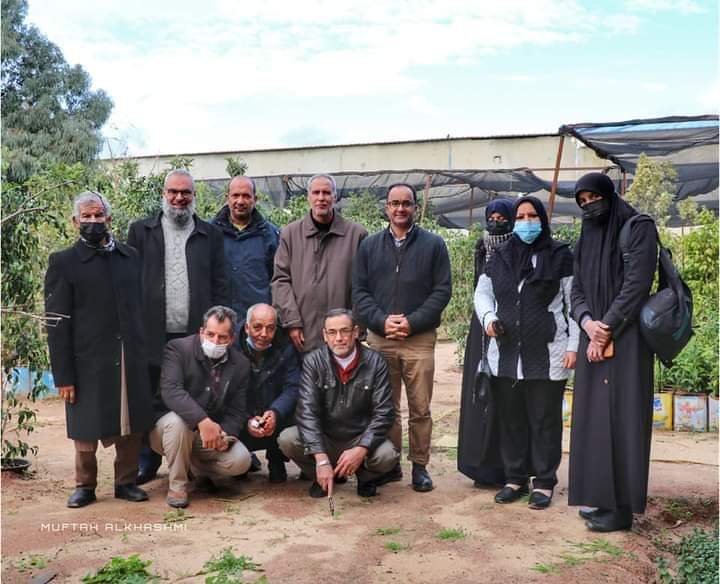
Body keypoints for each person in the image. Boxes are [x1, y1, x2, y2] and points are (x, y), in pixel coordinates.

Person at [45, 191, 153, 508]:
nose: (93, 222)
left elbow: (140, 308)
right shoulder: (63, 263)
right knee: (85, 426)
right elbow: (56, 323)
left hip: (129, 354)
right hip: (86, 359)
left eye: (98, 215)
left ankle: (126, 482)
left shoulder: (130, 257)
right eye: (87, 217)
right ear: (75, 221)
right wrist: (63, 375)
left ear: (109, 218)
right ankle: (85, 485)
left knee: (130, 422)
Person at [474, 196, 578, 510]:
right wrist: (489, 318)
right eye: (521, 216)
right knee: (511, 419)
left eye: (533, 216)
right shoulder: (500, 256)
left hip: (548, 354)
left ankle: (544, 481)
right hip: (505, 355)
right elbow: (483, 293)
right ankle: (515, 477)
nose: (526, 221)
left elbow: (572, 304)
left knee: (544, 420)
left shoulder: (560, 256)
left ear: (543, 220)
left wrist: (573, 346)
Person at [569, 172, 658, 532]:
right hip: (593, 338)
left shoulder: (638, 227)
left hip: (626, 342)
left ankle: (621, 510)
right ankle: (601, 500)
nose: (590, 206)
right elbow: (576, 289)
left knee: (622, 422)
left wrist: (605, 328)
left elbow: (637, 284)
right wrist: (588, 324)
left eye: (595, 198)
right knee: (593, 423)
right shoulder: (586, 237)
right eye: (583, 201)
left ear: (610, 196)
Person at [128, 169, 229, 484]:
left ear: (194, 196)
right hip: (152, 334)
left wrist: (218, 327)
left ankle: (195, 458)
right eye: (173, 191)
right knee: (148, 397)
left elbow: (221, 283)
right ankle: (146, 461)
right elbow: (129, 284)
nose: (179, 198)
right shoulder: (141, 232)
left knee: (195, 394)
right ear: (163, 193)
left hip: (194, 336)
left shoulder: (209, 235)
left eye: (186, 192)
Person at [353, 183, 452, 492]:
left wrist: (412, 322)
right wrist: (382, 321)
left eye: (406, 203)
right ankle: (391, 463)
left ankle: (420, 466)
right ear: (386, 207)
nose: (400, 209)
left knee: (420, 407)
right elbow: (360, 292)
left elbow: (442, 291)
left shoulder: (434, 245)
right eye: (394, 203)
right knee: (386, 407)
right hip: (381, 339)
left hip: (418, 339)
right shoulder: (369, 246)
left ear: (414, 208)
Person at [278, 309, 399, 498]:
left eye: (345, 331)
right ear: (325, 336)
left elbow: (384, 412)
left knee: (387, 455)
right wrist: (321, 459)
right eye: (332, 332)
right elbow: (307, 412)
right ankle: (323, 476)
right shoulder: (313, 362)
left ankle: (366, 478)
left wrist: (361, 449)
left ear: (356, 332)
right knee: (287, 439)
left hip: (359, 436)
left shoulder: (376, 362)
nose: (339, 338)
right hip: (326, 437)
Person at [150, 306, 252, 508]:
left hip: (208, 437)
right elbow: (171, 391)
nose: (215, 341)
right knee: (178, 422)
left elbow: (237, 410)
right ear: (201, 331)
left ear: (231, 339)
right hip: (167, 431)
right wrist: (202, 421)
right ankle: (178, 485)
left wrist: (226, 436)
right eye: (210, 334)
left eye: (222, 337)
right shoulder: (178, 348)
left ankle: (197, 470)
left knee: (241, 461)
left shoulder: (240, 364)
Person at [272, 174, 367, 354]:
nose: (321, 198)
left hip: (342, 336)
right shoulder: (290, 234)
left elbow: (364, 286)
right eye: (316, 193)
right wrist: (292, 322)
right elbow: (281, 281)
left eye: (326, 193)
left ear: (335, 197)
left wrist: (356, 326)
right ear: (308, 197)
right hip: (303, 333)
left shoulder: (356, 235)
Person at [457, 198, 515, 487]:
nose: (495, 221)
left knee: (507, 398)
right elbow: (479, 290)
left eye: (502, 217)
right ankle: (481, 467)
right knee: (480, 394)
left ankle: (510, 468)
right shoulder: (482, 246)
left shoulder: (521, 248)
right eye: (490, 216)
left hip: (513, 329)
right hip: (481, 329)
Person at [237, 303, 301, 483]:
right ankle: (242, 459)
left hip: (273, 407)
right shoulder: (232, 345)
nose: (264, 334)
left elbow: (293, 386)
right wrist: (247, 418)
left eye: (270, 328)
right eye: (257, 327)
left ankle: (276, 458)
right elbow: (229, 395)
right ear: (247, 327)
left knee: (292, 407)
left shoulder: (285, 345)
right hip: (244, 412)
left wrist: (275, 411)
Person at [211, 176, 280, 324]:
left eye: (246, 196)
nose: (240, 201)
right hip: (219, 323)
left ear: (255, 199)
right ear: (227, 198)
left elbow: (279, 282)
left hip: (257, 325)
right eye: (235, 195)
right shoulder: (210, 233)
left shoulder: (270, 235)